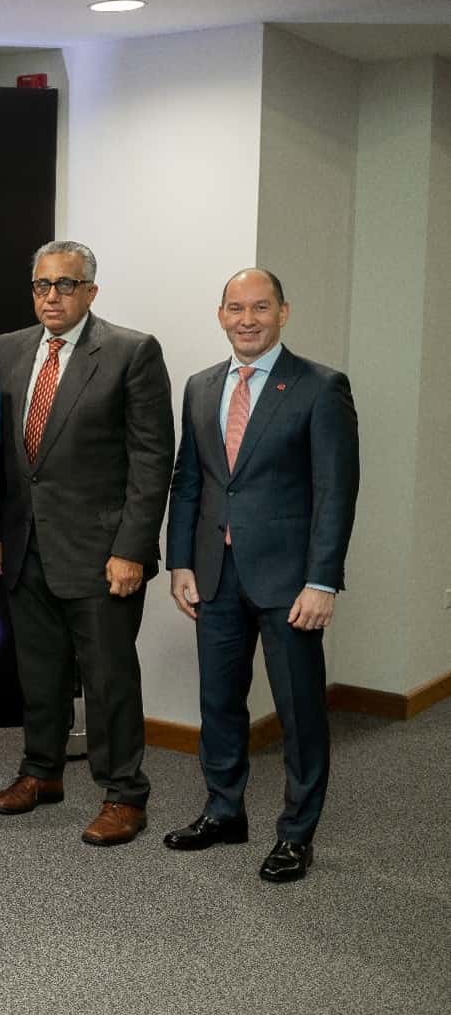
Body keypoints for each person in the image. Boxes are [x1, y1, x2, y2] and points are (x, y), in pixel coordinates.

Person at [162, 268, 359, 883]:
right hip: (215, 576)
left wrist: (322, 581)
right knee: (219, 702)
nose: (248, 319)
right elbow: (188, 481)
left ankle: (297, 834)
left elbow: (336, 490)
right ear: (220, 314)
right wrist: (182, 563)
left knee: (299, 711)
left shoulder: (320, 387)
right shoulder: (200, 387)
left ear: (284, 312)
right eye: (236, 308)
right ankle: (224, 811)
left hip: (290, 584)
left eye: (261, 307)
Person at [0, 241, 173, 846]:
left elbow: (152, 458)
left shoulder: (130, 351)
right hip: (25, 544)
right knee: (40, 673)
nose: (53, 297)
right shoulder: (8, 349)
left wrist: (132, 549)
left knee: (109, 677)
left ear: (90, 290)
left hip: (102, 551)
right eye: (42, 285)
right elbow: (1, 458)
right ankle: (41, 773)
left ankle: (125, 794)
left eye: (66, 285)